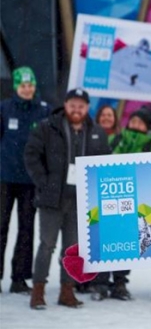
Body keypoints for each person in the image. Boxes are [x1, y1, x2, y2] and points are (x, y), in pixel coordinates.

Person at [24, 88, 110, 309]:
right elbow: (31, 155)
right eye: (73, 104)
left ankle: (67, 291)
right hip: (52, 200)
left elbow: (104, 164)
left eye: (81, 105)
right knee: (46, 245)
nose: (77, 109)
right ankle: (38, 291)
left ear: (87, 108)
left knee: (72, 249)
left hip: (80, 203)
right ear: (66, 105)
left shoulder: (97, 132)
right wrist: (44, 183)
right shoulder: (47, 127)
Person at [89, 106, 151, 301]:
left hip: (136, 200)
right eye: (133, 120)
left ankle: (120, 282)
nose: (135, 124)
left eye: (140, 122)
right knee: (105, 239)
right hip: (109, 197)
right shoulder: (116, 139)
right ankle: (101, 282)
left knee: (127, 242)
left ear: (147, 127)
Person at [0, 67, 51, 295]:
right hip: (4, 178)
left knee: (26, 229)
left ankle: (19, 278)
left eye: (30, 85)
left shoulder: (43, 111)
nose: (27, 89)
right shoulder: (4, 108)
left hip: (31, 180)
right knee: (1, 227)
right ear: (16, 87)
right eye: (23, 85)